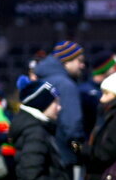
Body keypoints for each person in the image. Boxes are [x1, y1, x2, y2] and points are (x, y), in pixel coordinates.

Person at [33, 41, 86, 170]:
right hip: (64, 155)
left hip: (42, 151)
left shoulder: (41, 80)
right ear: (66, 61)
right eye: (79, 60)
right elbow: (72, 125)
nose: (82, 65)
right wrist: (80, 149)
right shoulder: (65, 85)